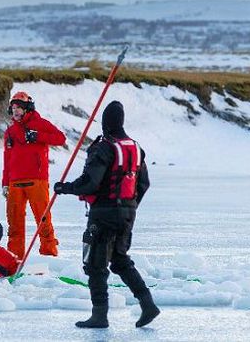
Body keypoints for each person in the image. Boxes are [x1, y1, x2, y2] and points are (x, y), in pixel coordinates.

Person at [54, 101, 160, 328]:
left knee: (95, 265)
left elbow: (91, 183)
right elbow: (144, 183)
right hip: (127, 213)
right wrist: (129, 206)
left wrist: (65, 188)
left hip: (103, 213)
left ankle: (99, 315)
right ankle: (147, 304)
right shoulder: (135, 147)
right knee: (120, 260)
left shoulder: (105, 146)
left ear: (105, 123)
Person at [2, 91, 66, 258]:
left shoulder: (40, 124)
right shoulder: (9, 132)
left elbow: (60, 138)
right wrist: (5, 183)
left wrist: (38, 136)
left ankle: (49, 256)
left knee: (43, 222)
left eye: (19, 107)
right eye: (13, 107)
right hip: (15, 183)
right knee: (14, 226)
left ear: (27, 108)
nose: (16, 111)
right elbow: (7, 159)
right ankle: (14, 260)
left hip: (37, 182)